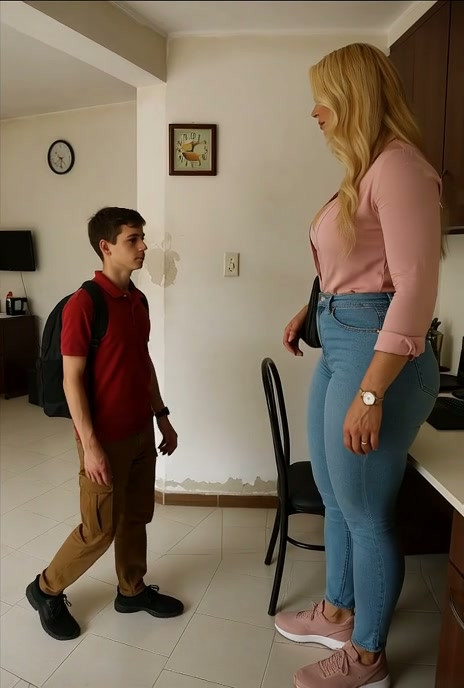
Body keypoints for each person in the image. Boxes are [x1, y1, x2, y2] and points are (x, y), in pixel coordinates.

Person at [277, 44, 442, 688]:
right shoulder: (367, 170)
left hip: (377, 355)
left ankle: (368, 658)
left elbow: (415, 287)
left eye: (322, 99)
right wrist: (311, 308)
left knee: (366, 512)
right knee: (336, 496)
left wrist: (371, 395)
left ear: (352, 99)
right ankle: (340, 611)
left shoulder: (401, 168)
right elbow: (356, 266)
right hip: (343, 339)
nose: (315, 113)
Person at [26, 207, 183, 640]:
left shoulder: (138, 300)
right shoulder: (85, 304)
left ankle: (132, 590)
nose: (144, 246)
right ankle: (46, 589)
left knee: (135, 517)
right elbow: (72, 380)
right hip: (104, 437)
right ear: (106, 246)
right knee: (98, 529)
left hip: (140, 430)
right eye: (133, 239)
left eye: (142, 237)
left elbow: (142, 364)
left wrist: (162, 417)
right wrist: (91, 445)